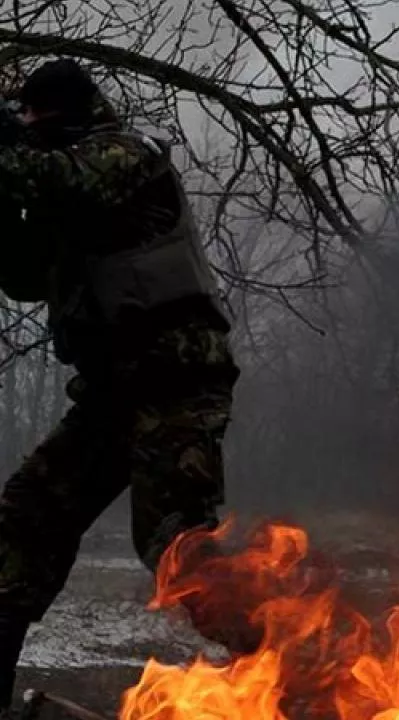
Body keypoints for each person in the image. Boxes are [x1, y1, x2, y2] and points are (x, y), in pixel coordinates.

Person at [0, 59, 243, 709]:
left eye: (32, 119)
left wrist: (5, 144)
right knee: (23, 522)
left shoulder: (127, 154)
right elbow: (25, 275)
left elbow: (57, 180)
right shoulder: (60, 181)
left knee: (176, 550)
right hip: (112, 392)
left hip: (176, 378)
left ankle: (313, 668)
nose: (28, 130)